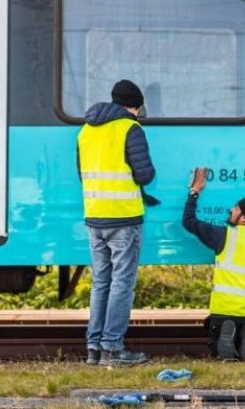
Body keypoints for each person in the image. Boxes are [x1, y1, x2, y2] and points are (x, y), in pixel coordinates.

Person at [77, 79, 156, 367]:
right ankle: (113, 348)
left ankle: (94, 349)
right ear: (133, 105)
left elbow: (81, 174)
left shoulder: (86, 131)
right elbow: (145, 175)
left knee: (101, 283)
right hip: (123, 217)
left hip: (95, 216)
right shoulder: (130, 128)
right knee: (122, 283)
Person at [182, 167, 245, 361]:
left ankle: (231, 334)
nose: (231, 210)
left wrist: (195, 191)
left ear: (244, 217)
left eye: (236, 208)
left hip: (223, 311)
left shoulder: (224, 235)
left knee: (217, 339)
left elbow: (188, 221)